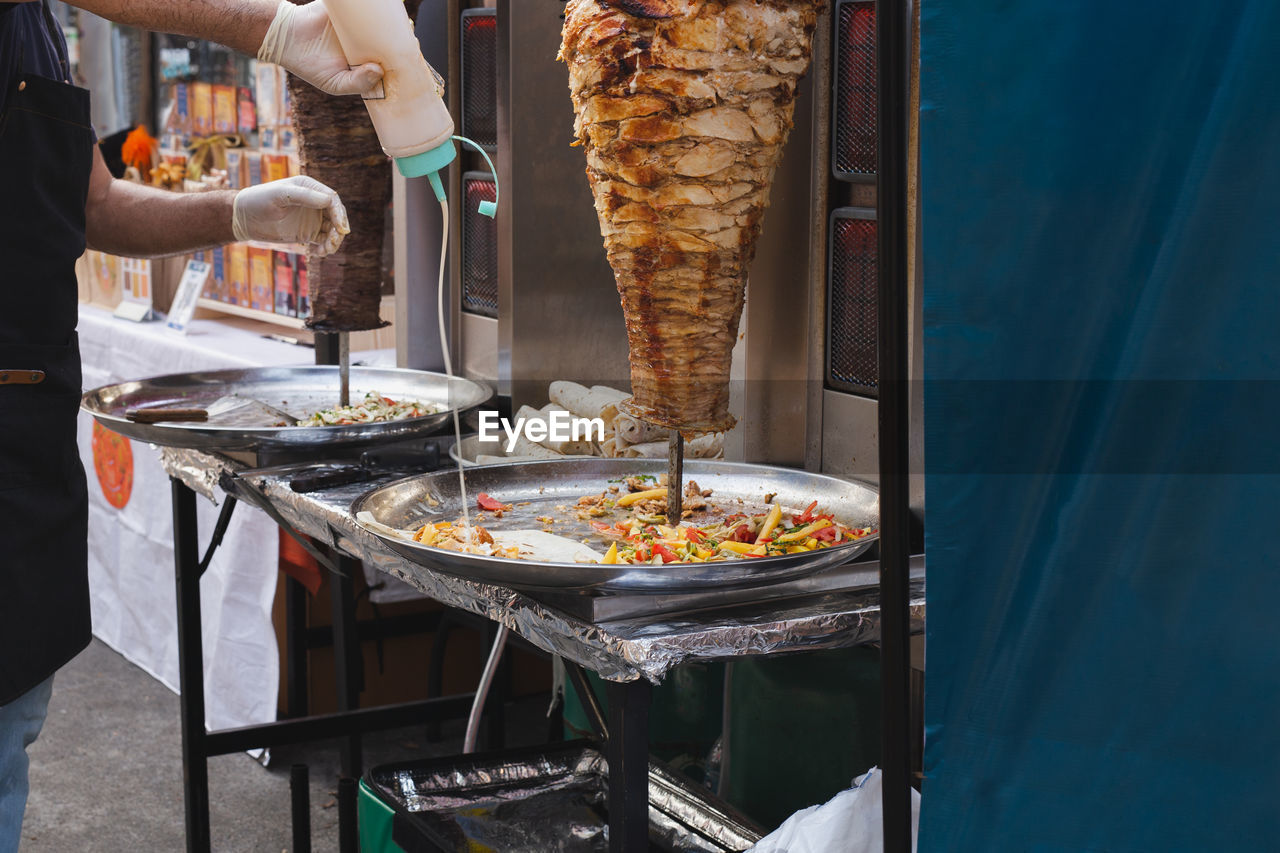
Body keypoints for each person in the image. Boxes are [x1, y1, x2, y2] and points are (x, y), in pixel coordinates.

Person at [0, 2, 382, 849]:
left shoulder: (37, 28)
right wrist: (268, 28)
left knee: (11, 722)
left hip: (24, 429)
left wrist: (239, 212)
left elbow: (93, 206)